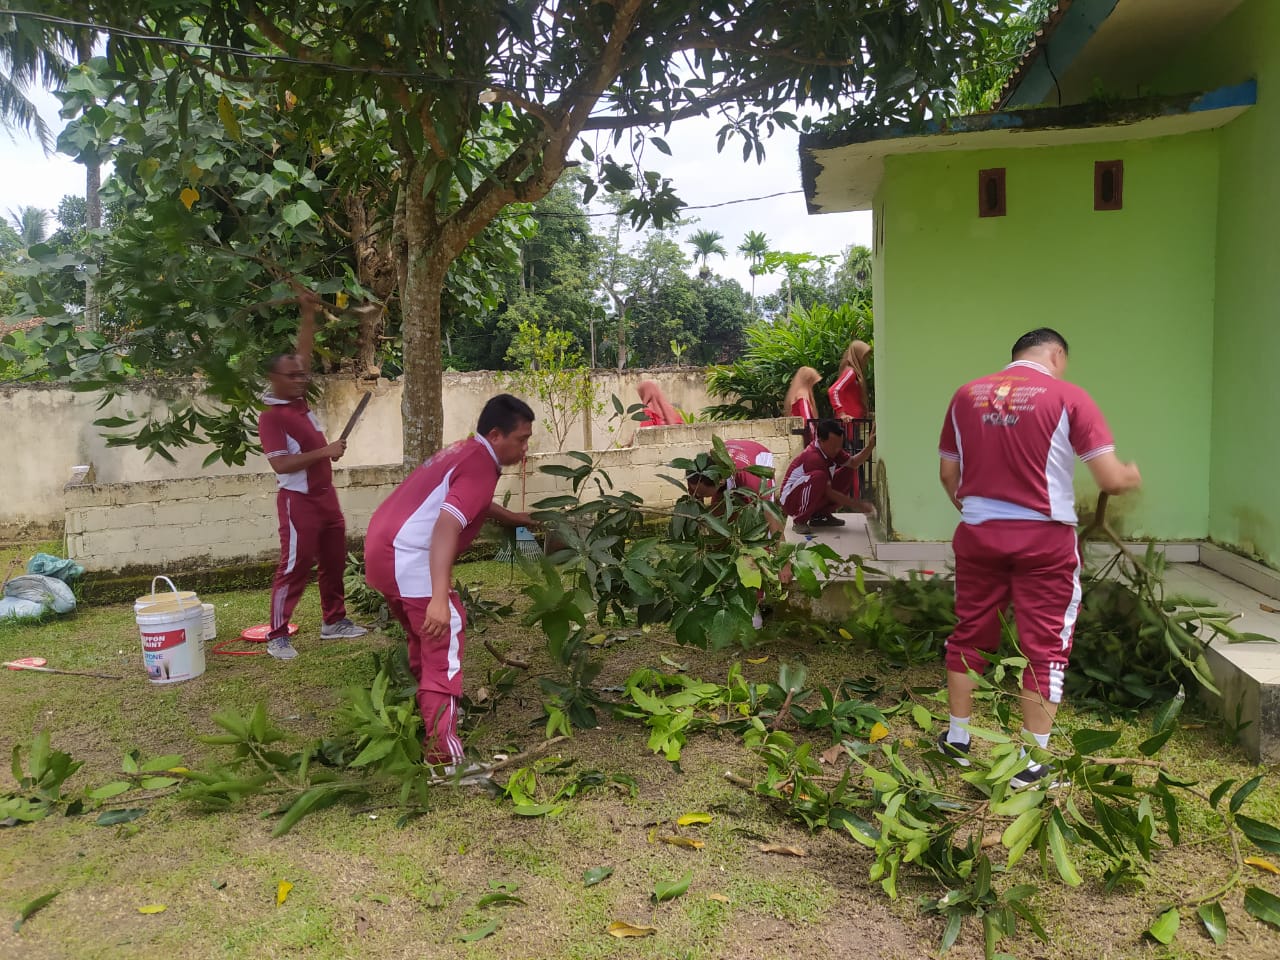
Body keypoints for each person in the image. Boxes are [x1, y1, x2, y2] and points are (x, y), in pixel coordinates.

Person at [935, 328, 1141, 789]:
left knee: (970, 633)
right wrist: (1129, 477)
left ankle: (957, 739)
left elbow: (949, 473)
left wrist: (978, 513)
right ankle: (1031, 767)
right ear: (1055, 353)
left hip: (978, 533)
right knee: (1043, 648)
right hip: (1044, 541)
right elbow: (1107, 477)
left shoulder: (965, 396)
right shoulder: (1069, 396)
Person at [364, 395, 536, 780]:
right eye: (521, 440)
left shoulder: (464, 450)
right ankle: (445, 760)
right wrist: (440, 599)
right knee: (446, 632)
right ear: (496, 434)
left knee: (424, 640)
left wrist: (511, 517)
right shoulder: (480, 467)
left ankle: (427, 714)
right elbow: (446, 526)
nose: (524, 449)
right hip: (409, 557)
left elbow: (467, 501)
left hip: (381, 551)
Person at [258, 293, 368, 661]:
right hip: (297, 501)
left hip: (325, 497)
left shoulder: (297, 400)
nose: (300, 379)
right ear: (274, 379)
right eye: (292, 376)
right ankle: (276, 635)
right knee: (294, 566)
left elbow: (301, 356)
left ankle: (334, 622)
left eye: (302, 374)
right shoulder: (271, 416)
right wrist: (326, 451)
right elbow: (280, 465)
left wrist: (308, 312)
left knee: (334, 560)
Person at [778, 418, 876, 535]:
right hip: (790, 501)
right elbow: (829, 492)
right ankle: (799, 521)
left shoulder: (832, 450)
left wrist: (870, 446)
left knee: (848, 470)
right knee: (819, 477)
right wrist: (858, 505)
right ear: (820, 441)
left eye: (839, 445)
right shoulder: (813, 457)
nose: (837, 450)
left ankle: (820, 516)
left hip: (813, 490)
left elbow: (854, 463)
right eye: (834, 446)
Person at [828, 340, 872, 421]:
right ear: (858, 355)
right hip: (849, 424)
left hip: (855, 422)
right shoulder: (851, 372)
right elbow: (833, 390)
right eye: (864, 356)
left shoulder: (856, 374)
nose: (867, 360)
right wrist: (841, 413)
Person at [783, 367, 822, 445]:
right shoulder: (802, 395)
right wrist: (815, 438)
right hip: (806, 438)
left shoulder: (797, 393)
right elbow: (807, 420)